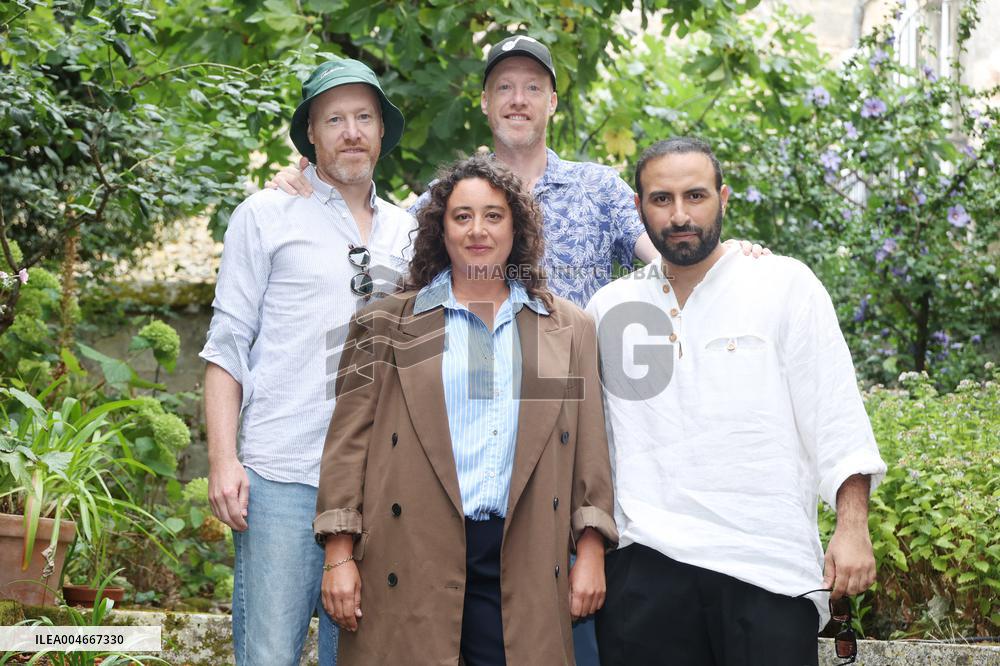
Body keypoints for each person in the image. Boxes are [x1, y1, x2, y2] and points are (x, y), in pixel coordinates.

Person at [586, 137, 887, 666]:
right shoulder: (610, 308)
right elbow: (586, 446)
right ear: (639, 208)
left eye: (695, 196)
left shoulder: (783, 284)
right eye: (661, 199)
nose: (680, 215)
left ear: (724, 198)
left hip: (767, 569)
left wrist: (852, 526)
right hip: (645, 573)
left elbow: (834, 412)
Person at [314, 155, 617, 665]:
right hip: (411, 553)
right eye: (462, 216)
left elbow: (588, 452)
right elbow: (348, 447)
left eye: (494, 215)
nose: (478, 230)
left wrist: (589, 552)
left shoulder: (566, 328)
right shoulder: (383, 325)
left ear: (516, 227)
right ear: (441, 228)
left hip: (525, 554)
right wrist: (338, 555)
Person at [200, 57, 415, 665]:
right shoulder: (264, 215)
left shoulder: (410, 230)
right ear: (311, 136)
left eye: (364, 118)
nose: (351, 132)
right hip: (281, 475)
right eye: (335, 119)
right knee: (269, 654)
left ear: (381, 132)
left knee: (362, 657)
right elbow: (227, 345)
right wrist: (223, 460)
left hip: (380, 485)